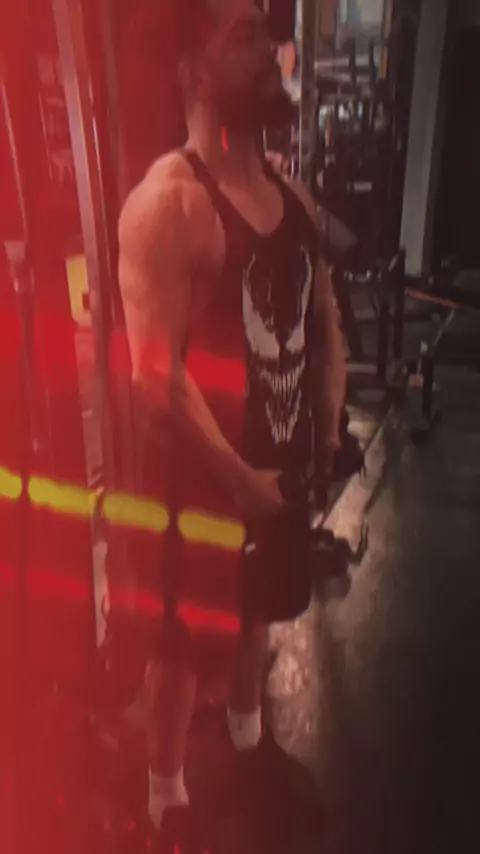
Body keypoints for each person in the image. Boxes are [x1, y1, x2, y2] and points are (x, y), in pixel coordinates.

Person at [118, 0, 347, 832]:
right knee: (183, 650)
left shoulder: (293, 199)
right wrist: (242, 482)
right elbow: (156, 375)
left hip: (274, 478)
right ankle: (165, 800)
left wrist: (325, 435)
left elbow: (325, 324)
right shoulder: (171, 205)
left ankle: (249, 750)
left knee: (257, 619)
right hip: (199, 490)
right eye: (242, 35)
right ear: (193, 70)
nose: (269, 48)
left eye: (266, 32)